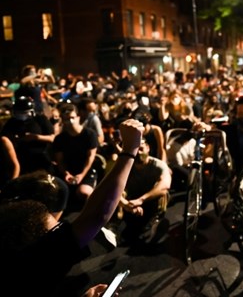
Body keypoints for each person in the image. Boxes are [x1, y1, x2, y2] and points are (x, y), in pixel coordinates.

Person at [0, 118, 144, 296]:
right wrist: (130, 151)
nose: (60, 226)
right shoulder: (37, 258)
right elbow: (96, 215)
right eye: (56, 227)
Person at [112, 137, 171, 245]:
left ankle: (155, 220)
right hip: (131, 203)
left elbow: (166, 184)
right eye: (135, 150)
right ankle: (115, 224)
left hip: (148, 200)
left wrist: (142, 200)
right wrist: (126, 204)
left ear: (148, 148)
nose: (138, 153)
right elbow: (113, 186)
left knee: (163, 192)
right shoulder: (126, 166)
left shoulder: (159, 165)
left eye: (141, 149)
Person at [51, 102, 100, 206]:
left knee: (84, 192)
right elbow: (60, 161)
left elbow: (90, 157)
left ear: (78, 117)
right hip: (68, 172)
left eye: (72, 117)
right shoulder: (59, 139)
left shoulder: (90, 134)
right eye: (66, 119)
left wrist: (82, 175)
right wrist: (66, 173)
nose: (70, 121)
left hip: (86, 171)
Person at [0, 95, 55, 175]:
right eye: (19, 113)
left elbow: (52, 138)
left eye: (25, 112)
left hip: (40, 157)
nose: (22, 115)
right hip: (21, 159)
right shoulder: (11, 123)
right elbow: (5, 138)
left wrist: (36, 137)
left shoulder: (40, 119)